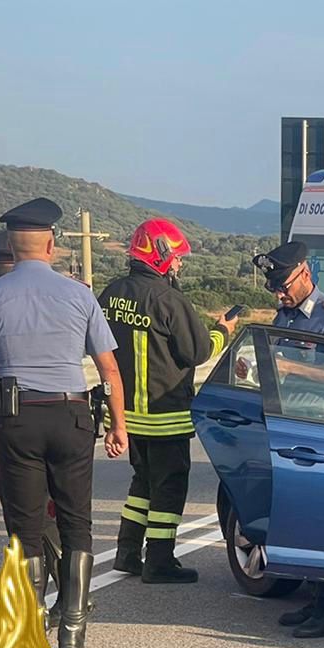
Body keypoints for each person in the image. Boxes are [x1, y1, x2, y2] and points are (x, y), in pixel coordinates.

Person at [0, 198, 127, 648]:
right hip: (72, 418)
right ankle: (73, 628)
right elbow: (109, 370)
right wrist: (118, 426)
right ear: (51, 244)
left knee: (25, 528)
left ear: (10, 245)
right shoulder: (80, 295)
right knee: (76, 523)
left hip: (18, 419)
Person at [99, 218, 237, 584]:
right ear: (159, 255)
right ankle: (159, 560)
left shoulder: (111, 293)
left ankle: (127, 552)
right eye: (176, 257)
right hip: (165, 414)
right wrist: (222, 331)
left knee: (141, 484)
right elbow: (198, 351)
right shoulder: (168, 299)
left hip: (127, 417)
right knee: (169, 487)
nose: (178, 264)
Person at [249, 239, 324, 638]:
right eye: (275, 288)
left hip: (323, 430)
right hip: (289, 429)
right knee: (297, 518)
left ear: (305, 273)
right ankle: (313, 601)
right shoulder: (284, 316)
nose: (280, 293)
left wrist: (294, 367)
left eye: (284, 285)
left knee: (321, 519)